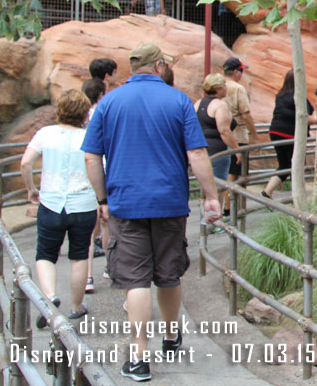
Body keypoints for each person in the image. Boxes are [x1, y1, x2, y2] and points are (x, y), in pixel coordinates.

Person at [82, 42, 220, 381]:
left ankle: (140, 357)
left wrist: (102, 199)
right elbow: (198, 154)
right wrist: (211, 195)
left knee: (136, 280)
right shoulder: (178, 101)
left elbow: (91, 157)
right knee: (169, 273)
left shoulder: (109, 102)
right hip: (170, 202)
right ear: (159, 66)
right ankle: (171, 335)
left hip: (126, 204)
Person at [20, 90, 97, 327]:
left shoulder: (45, 134)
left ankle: (49, 296)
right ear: (84, 113)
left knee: (45, 254)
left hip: (51, 202)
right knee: (79, 255)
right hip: (83, 204)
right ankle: (76, 307)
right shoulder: (89, 137)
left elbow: (25, 163)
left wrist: (32, 189)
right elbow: (97, 168)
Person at [195, 74, 239, 230]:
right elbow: (224, 131)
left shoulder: (198, 104)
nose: (226, 88)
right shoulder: (219, 105)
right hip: (218, 150)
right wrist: (236, 150)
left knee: (206, 187)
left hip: (201, 150)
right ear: (218, 88)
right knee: (218, 186)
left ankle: (206, 221)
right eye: (224, 86)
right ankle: (215, 222)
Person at [264, 70, 315, 199]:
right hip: (289, 134)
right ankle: (297, 196)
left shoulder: (280, 95)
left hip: (275, 131)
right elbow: (306, 117)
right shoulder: (298, 96)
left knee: (285, 165)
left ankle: (266, 193)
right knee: (296, 165)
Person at [81, 78, 108, 293]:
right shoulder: (105, 111)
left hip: (84, 173)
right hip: (104, 169)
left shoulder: (82, 116)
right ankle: (110, 266)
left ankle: (88, 277)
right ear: (101, 95)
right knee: (107, 222)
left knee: (90, 228)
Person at [222, 57, 258, 216]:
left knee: (226, 172)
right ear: (236, 72)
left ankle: (227, 207)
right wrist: (254, 135)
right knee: (238, 173)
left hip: (221, 136)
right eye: (241, 71)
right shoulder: (237, 89)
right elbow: (246, 113)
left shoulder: (218, 86)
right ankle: (236, 209)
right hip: (238, 136)